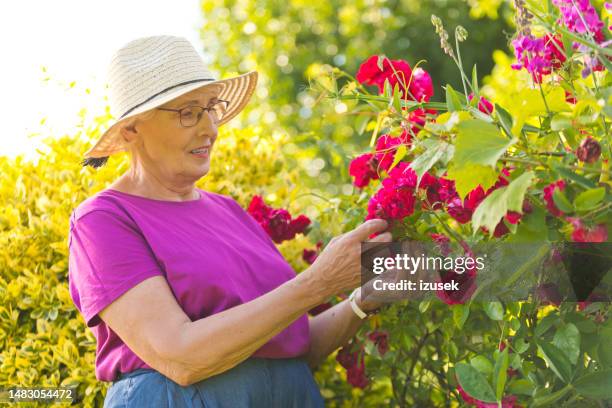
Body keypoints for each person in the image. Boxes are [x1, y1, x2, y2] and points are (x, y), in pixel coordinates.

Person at [67, 35, 391, 408]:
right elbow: (179, 357)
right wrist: (317, 282)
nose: (210, 129)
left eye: (211, 108)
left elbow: (292, 347)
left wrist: (362, 298)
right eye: (189, 112)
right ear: (131, 130)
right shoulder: (103, 221)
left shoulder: (228, 211)